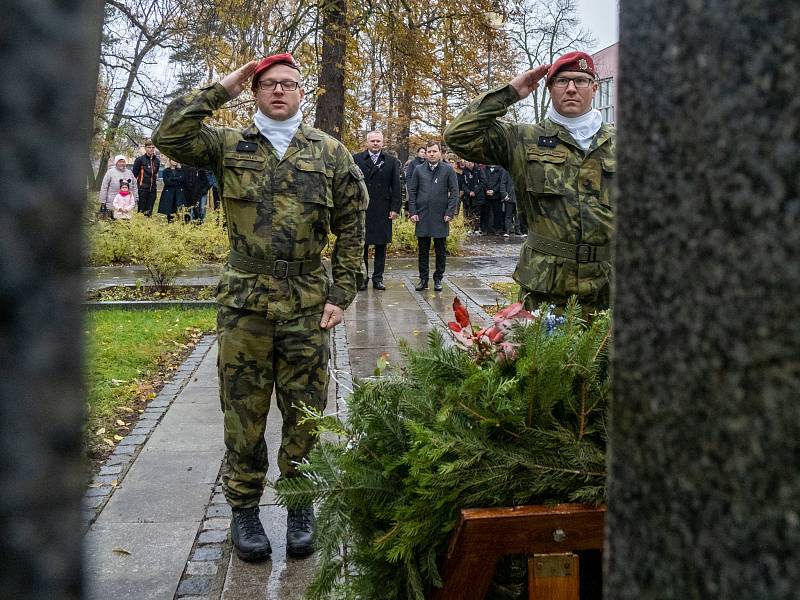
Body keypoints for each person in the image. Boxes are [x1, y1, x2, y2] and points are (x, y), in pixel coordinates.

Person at [152, 52, 367, 562]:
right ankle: (244, 507)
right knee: (243, 410)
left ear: (300, 93)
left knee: (307, 409)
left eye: (288, 84)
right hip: (245, 301)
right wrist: (224, 85)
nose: (278, 91)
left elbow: (353, 224)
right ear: (255, 91)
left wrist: (342, 294)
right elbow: (170, 135)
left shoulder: (328, 152)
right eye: (268, 84)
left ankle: (298, 502)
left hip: (306, 302)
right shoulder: (228, 145)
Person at [444, 51, 616, 313]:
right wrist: (511, 92)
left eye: (580, 80)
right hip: (546, 288)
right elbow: (458, 135)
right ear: (548, 89)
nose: (571, 88)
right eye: (562, 81)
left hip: (608, 286)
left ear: (594, 88)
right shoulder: (523, 139)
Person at [407, 140, 459, 292]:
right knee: (423, 250)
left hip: (440, 216)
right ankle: (423, 279)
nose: (431, 154)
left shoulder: (448, 170)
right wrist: (413, 212)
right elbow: (413, 191)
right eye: (429, 151)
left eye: (434, 151)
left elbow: (454, 192)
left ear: (440, 153)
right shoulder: (418, 169)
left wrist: (450, 212)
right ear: (426, 153)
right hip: (422, 215)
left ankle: (438, 279)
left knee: (440, 250)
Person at [352, 130, 401, 290]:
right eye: (372, 141)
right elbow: (350, 185)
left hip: (383, 208)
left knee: (381, 245)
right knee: (363, 245)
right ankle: (364, 277)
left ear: (382, 142)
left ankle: (378, 278)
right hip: (363, 208)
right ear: (367, 142)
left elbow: (396, 187)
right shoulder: (356, 159)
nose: (375, 144)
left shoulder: (391, 161)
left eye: (378, 141)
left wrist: (395, 208)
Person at [98, 155, 138, 219]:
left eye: (123, 162)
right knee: (113, 223)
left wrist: (136, 198)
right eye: (119, 162)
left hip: (127, 205)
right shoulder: (110, 172)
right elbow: (104, 187)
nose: (122, 163)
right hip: (112, 203)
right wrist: (103, 201)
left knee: (125, 223)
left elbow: (134, 186)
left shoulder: (129, 172)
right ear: (116, 163)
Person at [132, 140, 160, 215]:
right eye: (149, 147)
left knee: (149, 210)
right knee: (141, 210)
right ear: (145, 148)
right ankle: (140, 225)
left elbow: (155, 173)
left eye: (153, 147)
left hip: (153, 189)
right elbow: (134, 175)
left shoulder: (157, 161)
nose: (151, 149)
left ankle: (148, 226)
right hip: (142, 189)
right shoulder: (139, 160)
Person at [458, 159, 484, 233]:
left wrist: (475, 191)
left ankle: (476, 228)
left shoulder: (479, 169)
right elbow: (463, 184)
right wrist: (469, 192)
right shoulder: (464, 171)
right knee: (468, 212)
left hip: (478, 195)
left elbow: (482, 182)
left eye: (470, 162)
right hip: (468, 196)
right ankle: (469, 228)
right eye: (467, 162)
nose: (469, 164)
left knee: (477, 213)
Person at [480, 164, 506, 235]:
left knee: (497, 213)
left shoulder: (500, 170)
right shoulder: (484, 169)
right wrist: (486, 190)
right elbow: (483, 180)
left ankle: (497, 229)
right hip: (486, 195)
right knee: (486, 213)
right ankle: (485, 229)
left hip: (496, 196)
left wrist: (494, 191)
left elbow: (500, 182)